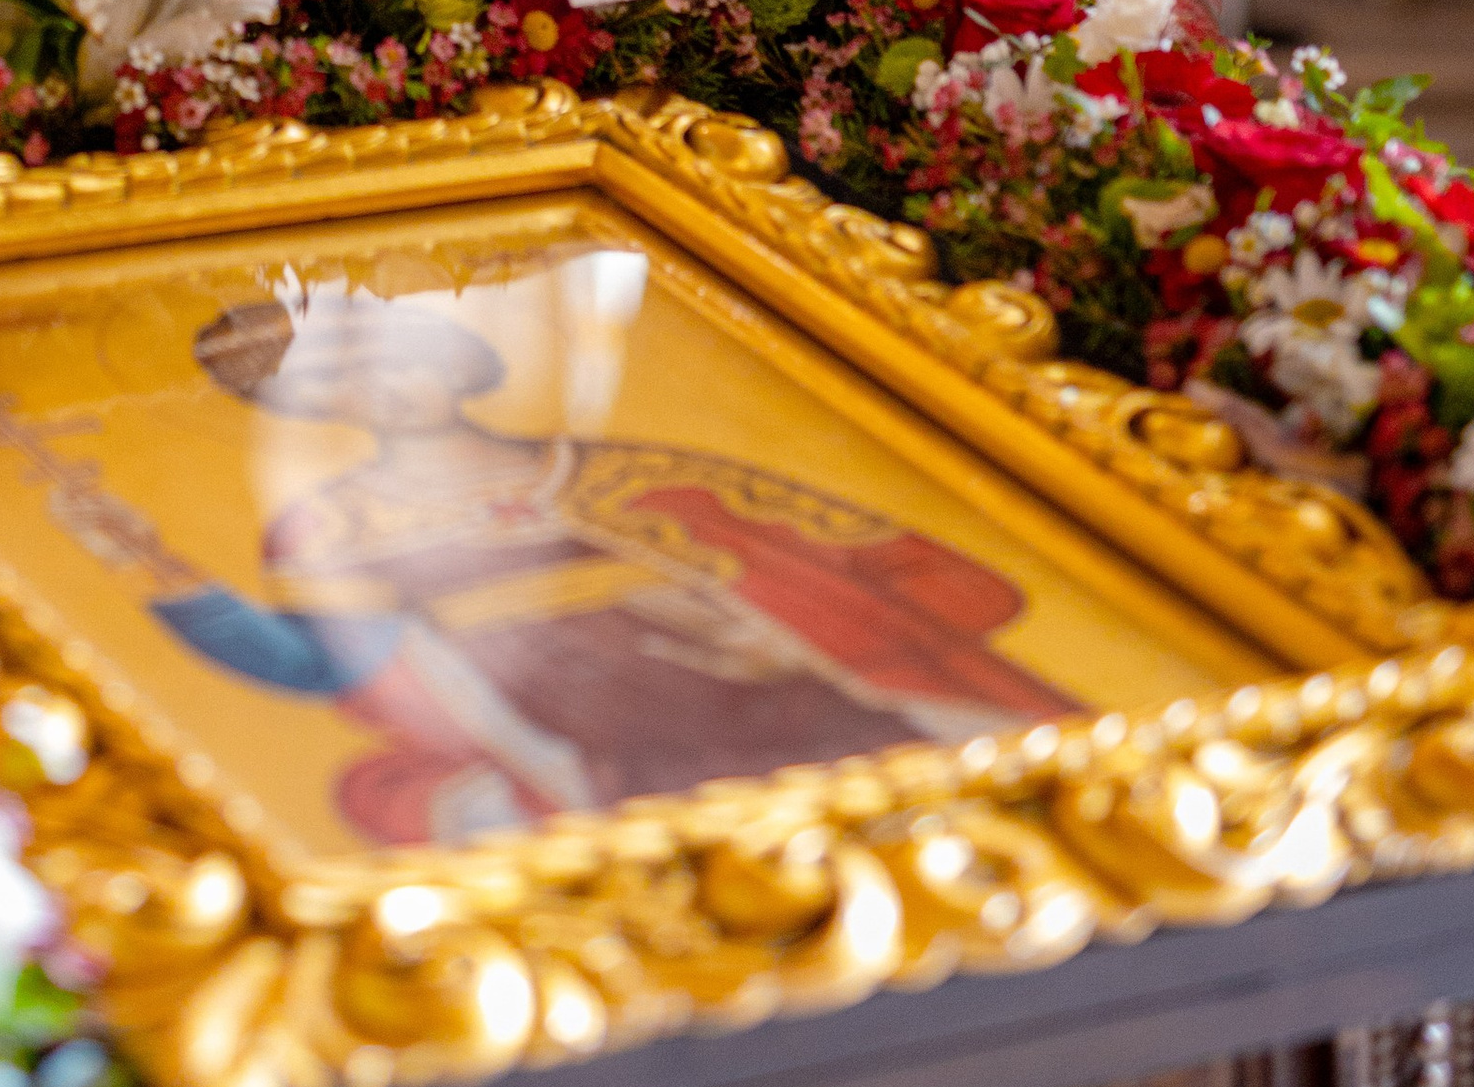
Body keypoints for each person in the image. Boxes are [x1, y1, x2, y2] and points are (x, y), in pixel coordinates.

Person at [150, 285, 1061, 846]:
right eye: (336, 380)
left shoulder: (633, 474)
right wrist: (154, 572)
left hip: (774, 687)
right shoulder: (330, 521)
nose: (381, 387)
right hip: (583, 728)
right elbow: (332, 662)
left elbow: (933, 580)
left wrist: (763, 613)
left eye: (392, 359)